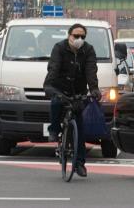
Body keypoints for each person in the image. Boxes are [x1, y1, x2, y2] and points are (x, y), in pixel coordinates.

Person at [43, 23, 101, 178]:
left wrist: (94, 89)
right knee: (56, 103)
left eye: (82, 36)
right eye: (76, 36)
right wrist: (50, 87)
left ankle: (80, 163)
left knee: (80, 127)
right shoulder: (59, 48)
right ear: (69, 35)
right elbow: (53, 69)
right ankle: (54, 130)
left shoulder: (88, 50)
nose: (79, 39)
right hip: (60, 88)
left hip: (79, 91)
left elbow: (91, 71)